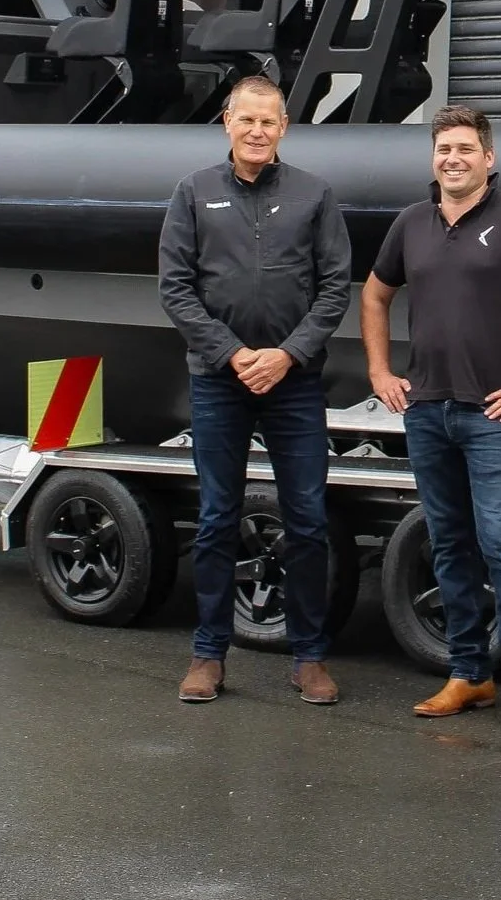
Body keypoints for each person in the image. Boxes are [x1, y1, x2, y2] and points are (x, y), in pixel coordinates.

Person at [360, 104, 501, 739]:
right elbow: (376, 294)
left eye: (465, 149)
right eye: (443, 149)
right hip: (427, 411)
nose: (452, 158)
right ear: (432, 159)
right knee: (449, 545)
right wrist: (380, 372)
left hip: (493, 415)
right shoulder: (411, 223)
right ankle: (468, 674)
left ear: (489, 159)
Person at [159, 75, 352, 705]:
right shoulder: (193, 193)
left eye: (268, 121)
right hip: (219, 381)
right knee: (217, 518)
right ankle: (209, 655)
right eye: (247, 120)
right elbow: (176, 289)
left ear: (285, 126)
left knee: (307, 520)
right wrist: (234, 353)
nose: (257, 131)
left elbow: (333, 289)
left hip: (294, 384)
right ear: (227, 122)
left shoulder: (314, 195)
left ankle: (309, 657)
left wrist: (287, 355)